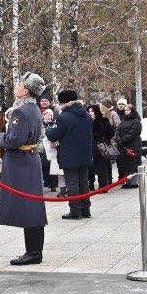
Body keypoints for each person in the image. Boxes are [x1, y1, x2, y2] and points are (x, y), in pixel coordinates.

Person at [0, 73, 50, 265]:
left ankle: (34, 252)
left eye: (20, 84)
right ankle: (34, 250)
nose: (17, 87)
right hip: (30, 159)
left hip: (20, 162)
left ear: (26, 90)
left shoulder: (21, 111)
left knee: (29, 207)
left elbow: (13, 140)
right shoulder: (33, 109)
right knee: (33, 206)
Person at [46, 90, 93, 219]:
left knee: (72, 183)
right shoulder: (86, 115)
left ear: (64, 102)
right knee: (84, 182)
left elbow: (54, 135)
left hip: (70, 154)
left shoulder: (64, 117)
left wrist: (49, 130)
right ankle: (86, 210)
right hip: (85, 153)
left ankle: (75, 211)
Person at [115, 103, 142, 187]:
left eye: (128, 110)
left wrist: (122, 140)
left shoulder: (136, 121)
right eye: (125, 110)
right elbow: (118, 131)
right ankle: (126, 181)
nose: (126, 112)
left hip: (133, 145)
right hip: (123, 146)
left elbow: (133, 133)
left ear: (132, 111)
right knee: (125, 165)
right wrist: (118, 139)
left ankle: (133, 182)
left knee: (133, 165)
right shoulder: (123, 121)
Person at [89, 103, 115, 189]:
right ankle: (91, 186)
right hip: (89, 147)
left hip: (100, 147)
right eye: (89, 111)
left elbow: (111, 131)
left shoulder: (103, 120)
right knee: (90, 168)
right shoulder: (85, 121)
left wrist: (105, 139)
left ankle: (103, 186)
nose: (90, 113)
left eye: (92, 111)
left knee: (102, 167)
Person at [41, 107, 62, 194]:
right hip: (42, 148)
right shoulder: (41, 125)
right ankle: (45, 183)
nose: (48, 116)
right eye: (47, 114)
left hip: (52, 148)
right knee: (43, 167)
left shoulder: (54, 124)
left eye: (50, 115)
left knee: (53, 167)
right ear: (44, 116)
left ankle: (53, 185)